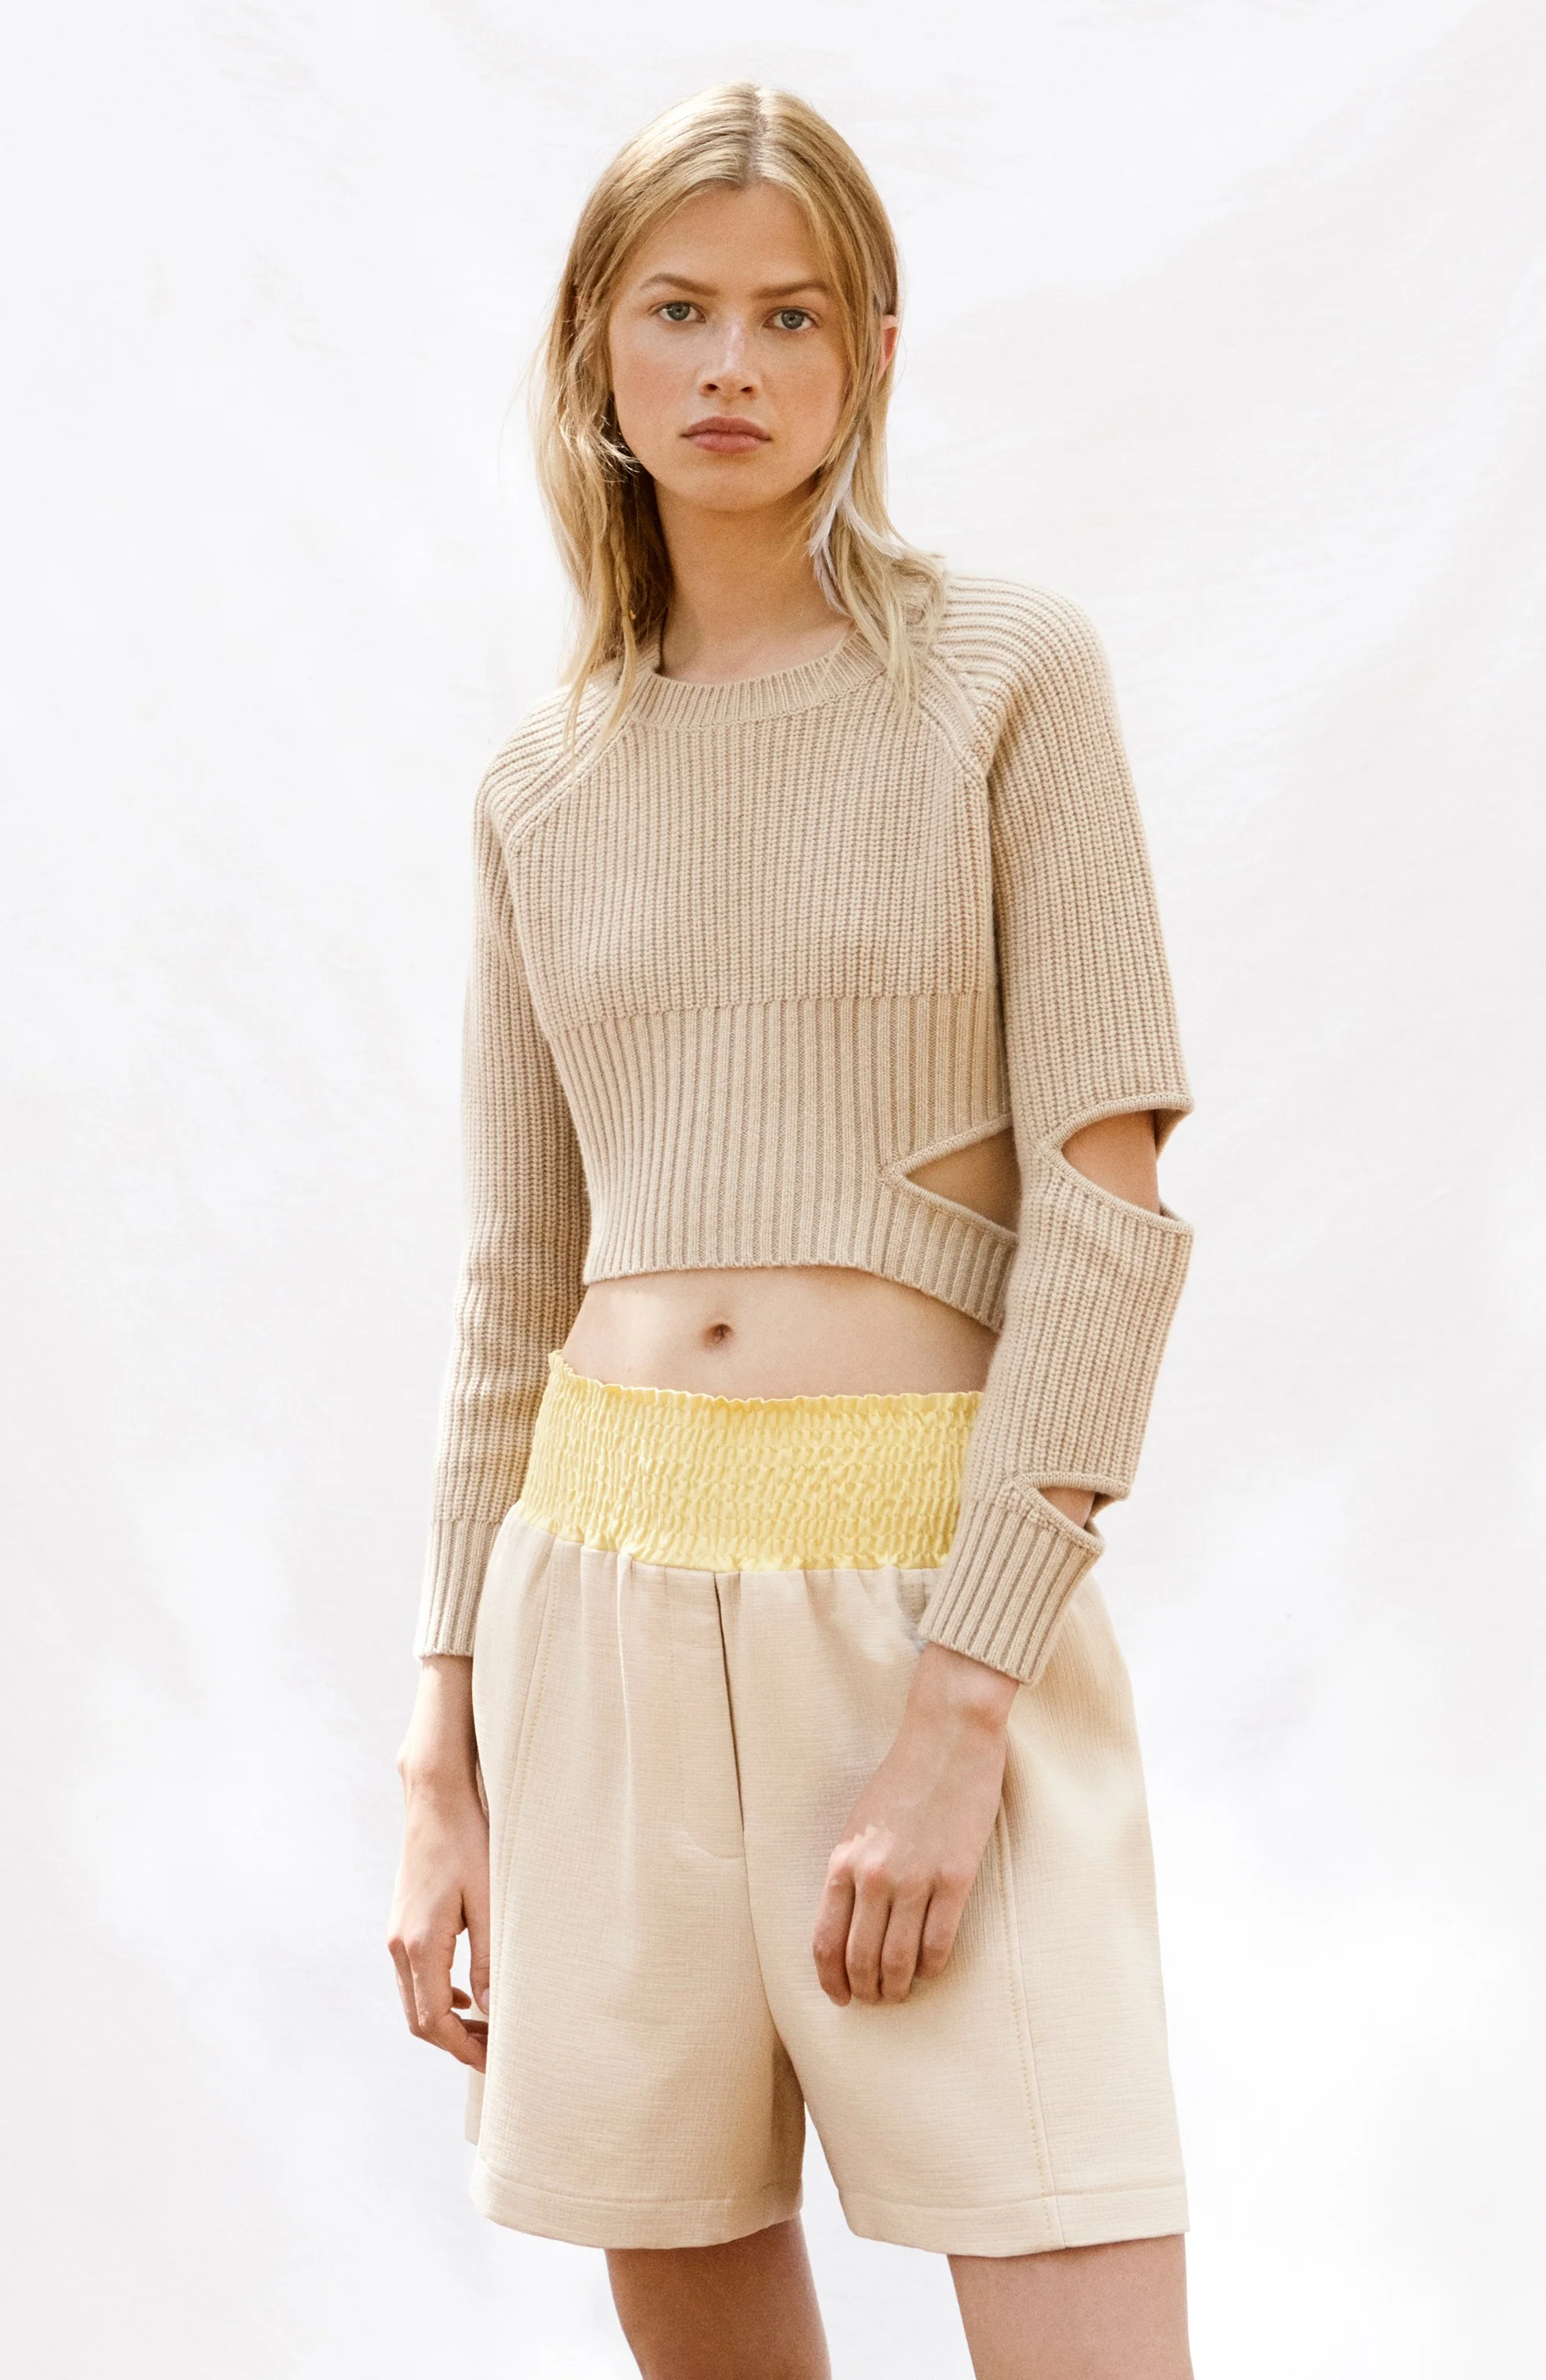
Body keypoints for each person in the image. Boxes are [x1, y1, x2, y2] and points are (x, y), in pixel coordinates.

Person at [388, 80, 1197, 2380]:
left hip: (926, 1590)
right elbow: (509, 1294)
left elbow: (1110, 1213)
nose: (731, 365)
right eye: (678, 311)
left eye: (793, 316)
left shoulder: (1007, 680)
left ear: (875, 357)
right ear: (596, 346)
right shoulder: (541, 787)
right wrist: (439, 1750)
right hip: (597, 1606)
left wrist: (963, 1708)